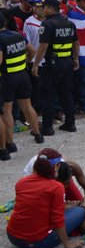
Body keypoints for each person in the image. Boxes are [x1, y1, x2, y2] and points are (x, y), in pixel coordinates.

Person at [6, 153, 85, 248]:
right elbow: (57, 218)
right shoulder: (56, 187)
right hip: (37, 243)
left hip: (13, 237)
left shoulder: (21, 182)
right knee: (80, 211)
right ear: (56, 167)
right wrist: (67, 244)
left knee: (74, 207)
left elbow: (31, 204)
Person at [32, 0, 78, 135]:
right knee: (66, 94)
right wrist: (75, 59)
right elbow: (76, 43)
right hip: (67, 62)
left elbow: (42, 47)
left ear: (51, 9)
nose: (42, 10)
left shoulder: (47, 24)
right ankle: (70, 123)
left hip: (53, 64)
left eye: (44, 7)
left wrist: (35, 65)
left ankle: (47, 127)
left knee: (48, 95)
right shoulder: (69, 23)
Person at [0, 22, 43, 153]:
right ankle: (37, 135)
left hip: (7, 77)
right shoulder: (18, 35)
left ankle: (10, 143)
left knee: (7, 110)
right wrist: (26, 62)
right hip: (23, 75)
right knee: (27, 106)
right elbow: (32, 50)